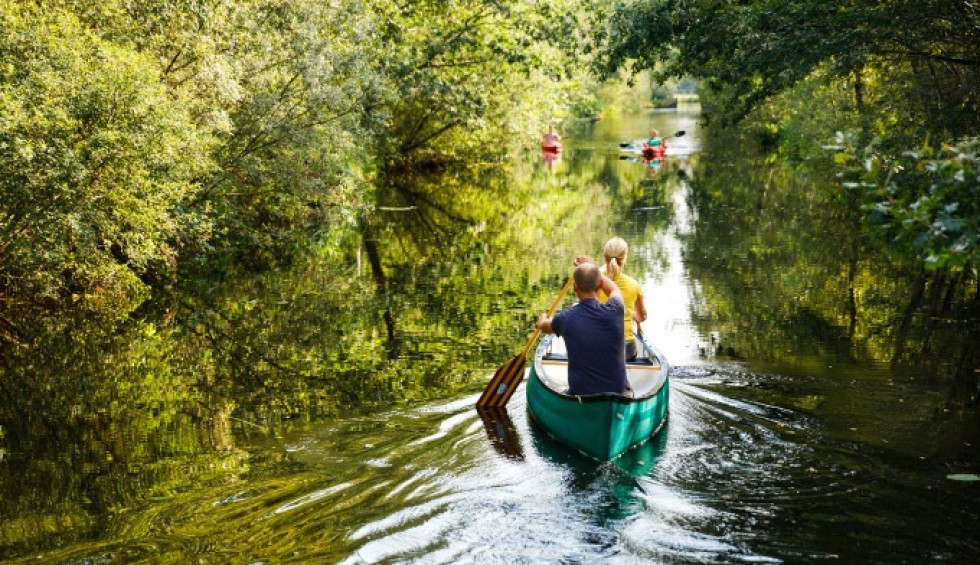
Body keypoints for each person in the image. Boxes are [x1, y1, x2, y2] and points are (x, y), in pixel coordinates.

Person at [535, 256, 630, 396]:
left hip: (581, 394)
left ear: (575, 287)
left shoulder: (564, 318)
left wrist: (542, 320)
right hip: (618, 392)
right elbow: (613, 288)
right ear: (599, 285)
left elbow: (544, 326)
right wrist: (592, 267)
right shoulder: (616, 308)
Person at [598, 237, 647, 360]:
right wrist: (633, 315)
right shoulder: (634, 285)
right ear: (625, 259)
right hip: (627, 350)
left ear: (604, 258)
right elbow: (642, 317)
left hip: (599, 347)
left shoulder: (593, 281)